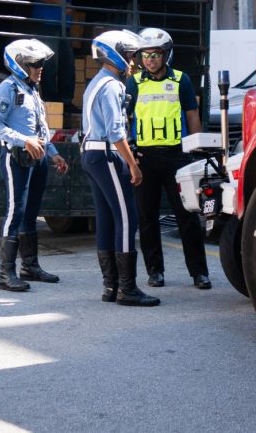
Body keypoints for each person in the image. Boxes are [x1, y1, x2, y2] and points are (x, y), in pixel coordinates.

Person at [126, 28, 211, 290]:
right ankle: (155, 272)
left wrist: (197, 150)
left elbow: (192, 115)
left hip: (177, 157)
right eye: (145, 55)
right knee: (147, 218)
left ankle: (199, 273)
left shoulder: (181, 80)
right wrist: (130, 149)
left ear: (166, 55)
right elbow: (125, 117)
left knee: (187, 216)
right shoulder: (134, 82)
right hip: (146, 159)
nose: (150, 59)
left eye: (155, 55)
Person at [80, 29, 159, 307]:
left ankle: (111, 286)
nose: (133, 62)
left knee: (107, 219)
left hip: (92, 154)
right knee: (127, 218)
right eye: (129, 56)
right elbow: (115, 132)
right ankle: (127, 288)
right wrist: (132, 165)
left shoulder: (97, 82)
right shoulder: (112, 85)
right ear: (115, 54)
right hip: (107, 154)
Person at [0, 38, 70, 292]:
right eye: (35, 63)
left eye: (41, 63)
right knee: (16, 213)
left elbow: (40, 128)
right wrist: (24, 141)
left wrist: (53, 152)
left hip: (38, 158)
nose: (40, 68)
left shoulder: (33, 89)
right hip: (17, 159)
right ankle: (6, 273)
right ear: (20, 64)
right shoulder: (8, 88)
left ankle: (30, 266)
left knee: (32, 213)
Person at [29, 0, 76, 108]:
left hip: (63, 24)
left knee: (67, 63)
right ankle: (51, 102)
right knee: (51, 63)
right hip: (47, 22)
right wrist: (61, 4)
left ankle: (66, 102)